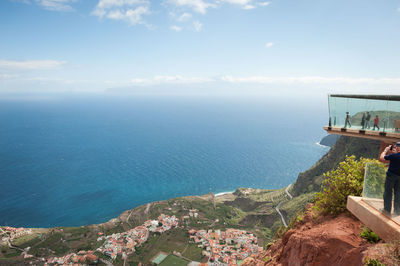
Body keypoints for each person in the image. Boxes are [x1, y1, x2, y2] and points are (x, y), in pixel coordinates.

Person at [379, 142, 400, 215]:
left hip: (391, 176)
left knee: (388, 192)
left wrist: (385, 150)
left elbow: (381, 158)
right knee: (398, 193)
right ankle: (397, 211)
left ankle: (387, 210)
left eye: (396, 147)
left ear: (398, 148)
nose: (395, 148)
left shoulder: (393, 156)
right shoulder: (394, 155)